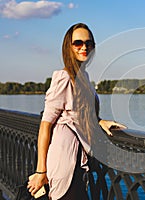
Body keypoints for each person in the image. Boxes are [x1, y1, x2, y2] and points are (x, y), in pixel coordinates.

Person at [27, 23, 126, 199]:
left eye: (89, 43)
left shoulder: (84, 77)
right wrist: (41, 171)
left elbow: (81, 112)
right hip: (65, 163)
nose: (84, 47)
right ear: (68, 47)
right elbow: (45, 126)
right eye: (78, 43)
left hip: (78, 163)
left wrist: (100, 121)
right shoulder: (64, 77)